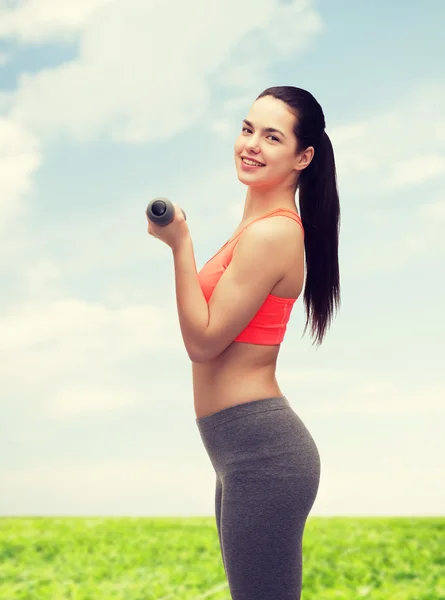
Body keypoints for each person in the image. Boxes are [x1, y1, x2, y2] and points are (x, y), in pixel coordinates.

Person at [147, 86, 340, 599]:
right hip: (239, 449)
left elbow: (204, 341)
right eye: (247, 128)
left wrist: (180, 244)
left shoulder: (272, 234)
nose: (251, 144)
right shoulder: (252, 229)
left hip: (263, 453)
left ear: (303, 157)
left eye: (271, 136)